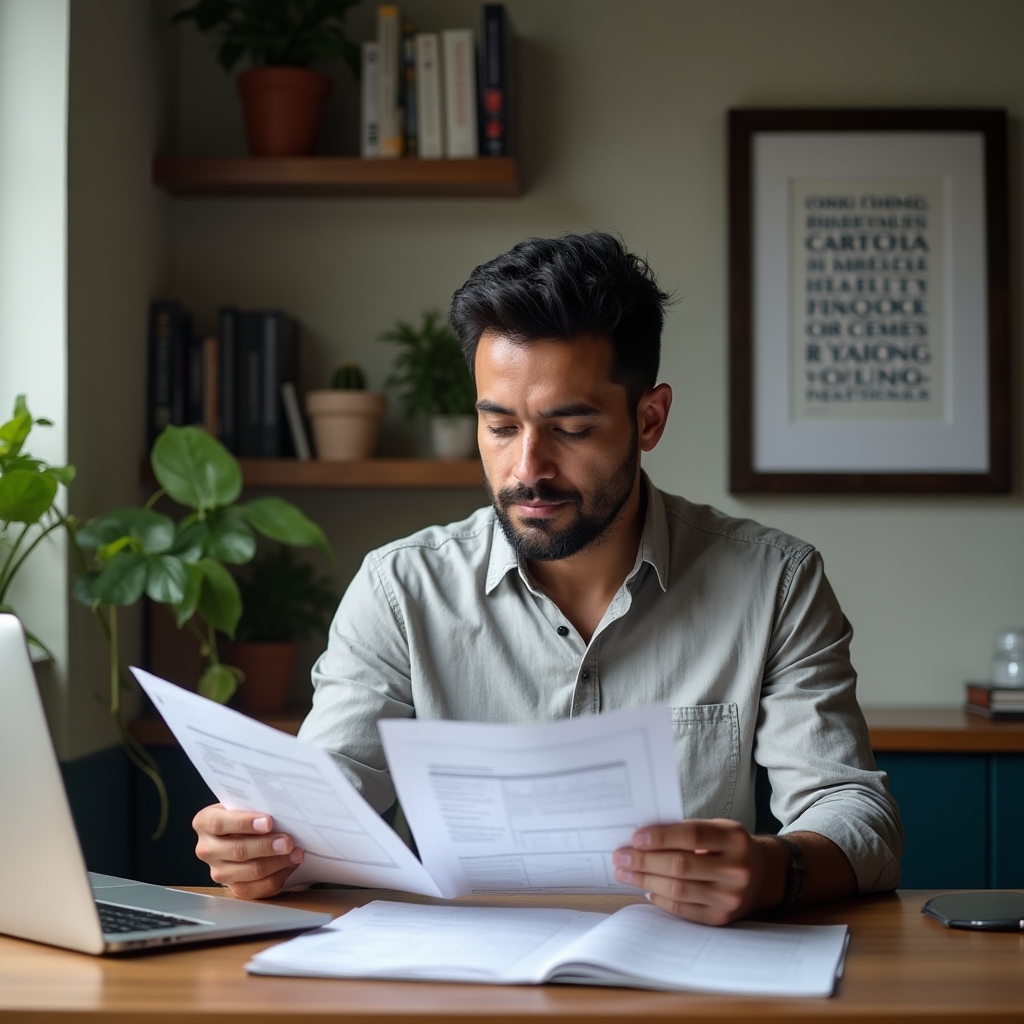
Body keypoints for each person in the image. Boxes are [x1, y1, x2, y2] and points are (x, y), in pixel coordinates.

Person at [193, 232, 902, 925]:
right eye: (500, 427)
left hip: (686, 987)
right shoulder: (400, 591)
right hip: (459, 989)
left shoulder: (776, 582)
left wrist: (775, 869)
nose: (527, 468)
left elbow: (855, 814)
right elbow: (322, 806)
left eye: (571, 428)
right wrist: (262, 846)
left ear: (649, 418)